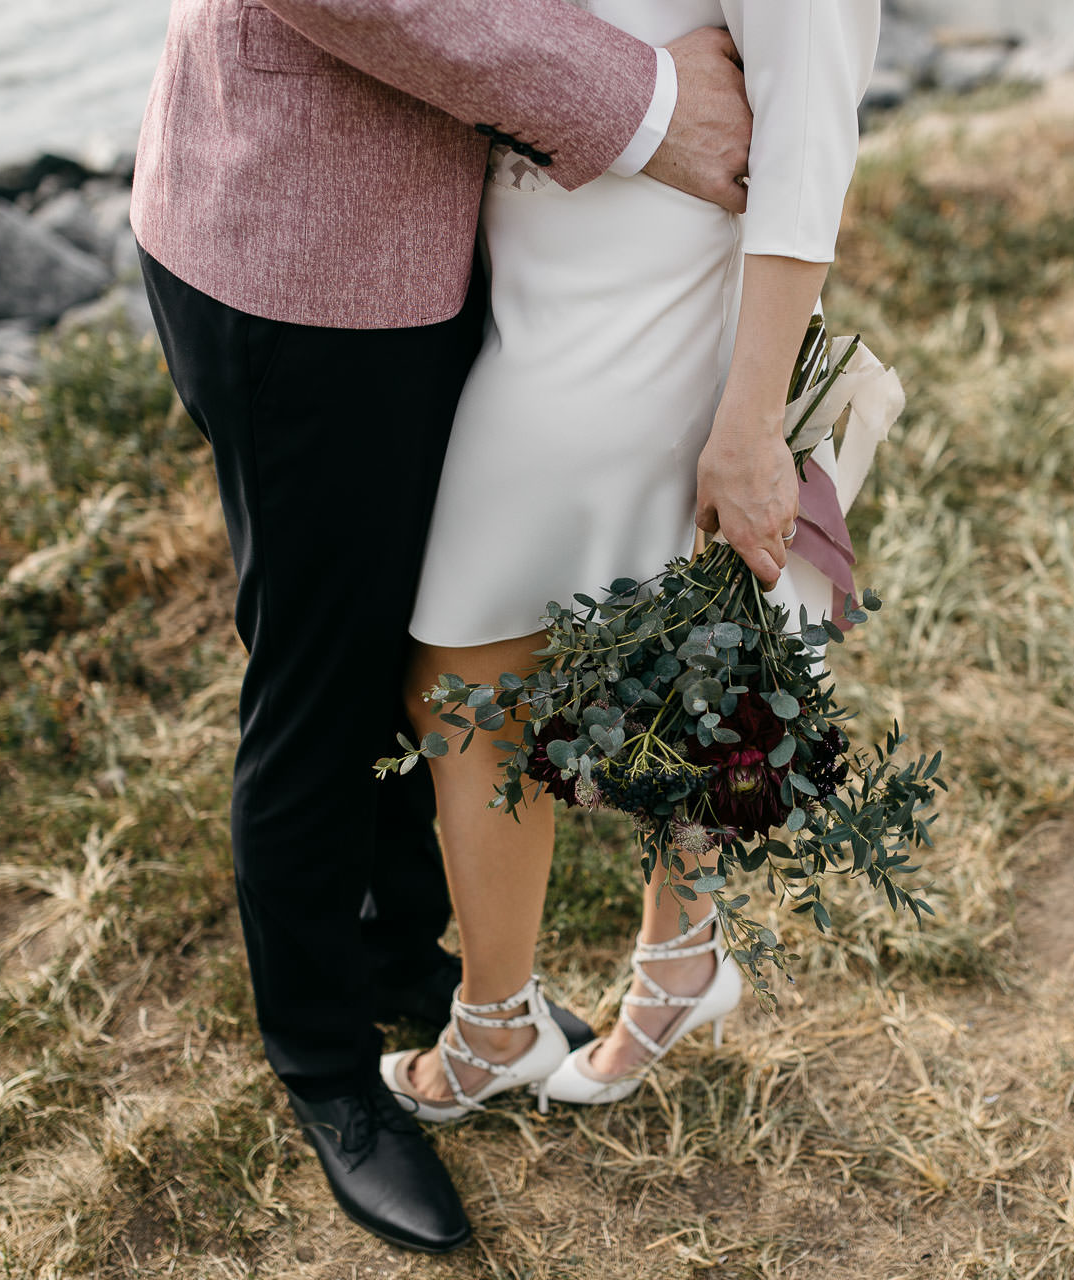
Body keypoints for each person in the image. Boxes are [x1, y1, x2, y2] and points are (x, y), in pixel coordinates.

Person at [130, 0, 754, 1255]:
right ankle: (327, 1064)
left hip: (444, 247)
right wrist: (643, 102)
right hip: (299, 247)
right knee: (324, 674)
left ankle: (419, 970)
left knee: (413, 649)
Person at [385, 0, 877, 1120]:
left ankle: (542, 1006)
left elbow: (808, 149)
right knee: (640, 656)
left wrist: (751, 421)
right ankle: (634, 975)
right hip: (531, 296)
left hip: (651, 323)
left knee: (482, 672)